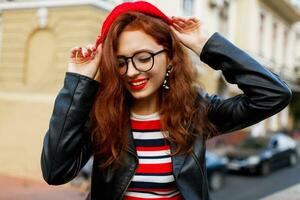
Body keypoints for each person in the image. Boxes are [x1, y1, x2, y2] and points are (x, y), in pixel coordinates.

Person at [40, 1, 292, 200]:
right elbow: (55, 173)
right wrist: (77, 80)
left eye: (143, 57)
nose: (131, 71)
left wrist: (205, 44)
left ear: (170, 57)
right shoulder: (102, 114)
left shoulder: (196, 111)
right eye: (120, 62)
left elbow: (272, 95)